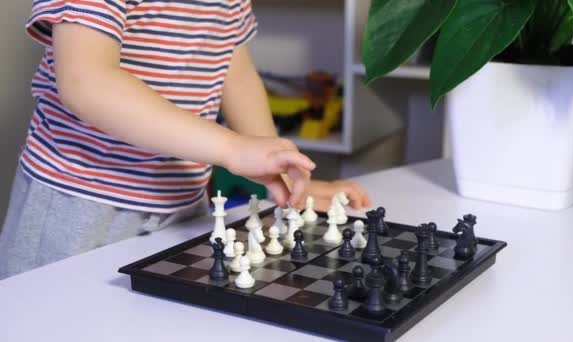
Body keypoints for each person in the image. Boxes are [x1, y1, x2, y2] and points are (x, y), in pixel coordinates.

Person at [0, 0, 371, 279]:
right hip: (79, 203)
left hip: (181, 203)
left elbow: (235, 73)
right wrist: (231, 147)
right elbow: (86, 81)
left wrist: (282, 173)